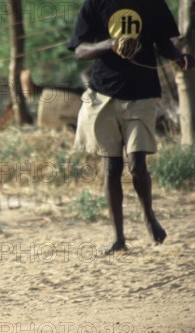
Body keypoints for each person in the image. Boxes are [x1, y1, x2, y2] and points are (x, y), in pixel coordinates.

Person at [68, 0, 194, 253]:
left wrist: (178, 57)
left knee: (137, 164)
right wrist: (110, 44)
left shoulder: (152, 4)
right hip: (104, 94)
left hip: (142, 94)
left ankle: (148, 215)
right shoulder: (95, 4)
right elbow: (80, 50)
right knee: (112, 166)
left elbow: (164, 42)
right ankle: (119, 238)